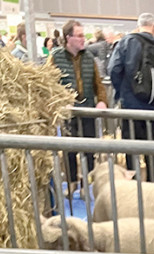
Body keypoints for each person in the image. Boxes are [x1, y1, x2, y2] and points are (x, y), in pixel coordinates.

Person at [108, 13, 154, 183]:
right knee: (153, 149)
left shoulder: (126, 43)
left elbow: (113, 69)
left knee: (131, 149)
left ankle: (134, 185)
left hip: (131, 107)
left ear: (138, 26)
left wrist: (121, 92)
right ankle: (152, 184)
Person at [49, 21, 107, 187]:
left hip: (87, 110)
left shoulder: (89, 57)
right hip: (67, 112)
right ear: (69, 38)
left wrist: (102, 101)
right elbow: (49, 84)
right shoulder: (55, 57)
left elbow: (98, 83)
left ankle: (87, 183)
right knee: (69, 150)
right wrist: (60, 103)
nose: (83, 39)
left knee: (89, 149)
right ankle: (72, 182)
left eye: (83, 35)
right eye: (80, 35)